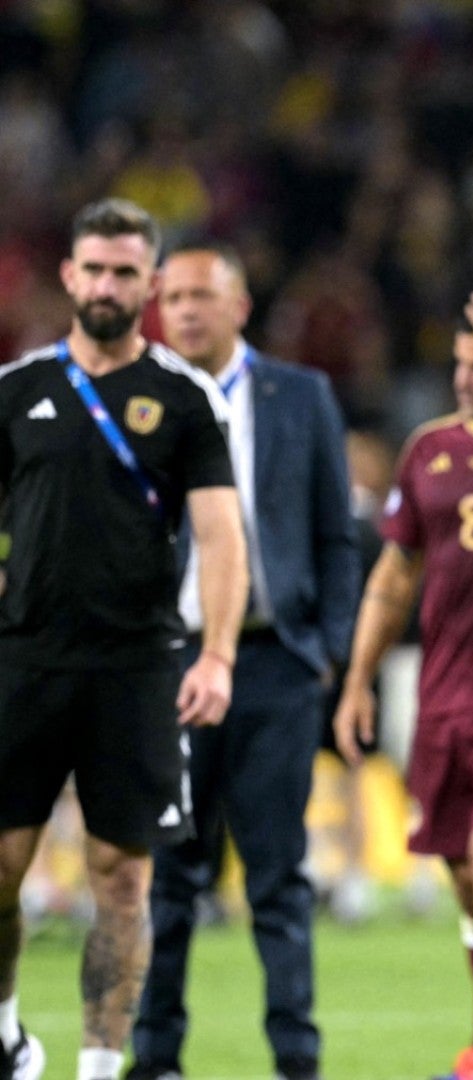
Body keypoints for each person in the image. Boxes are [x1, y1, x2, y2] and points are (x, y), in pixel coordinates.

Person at [0, 199, 246, 1080]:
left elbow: (221, 535)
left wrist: (216, 654)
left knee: (121, 875)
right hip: (23, 659)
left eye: (125, 272)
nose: (107, 286)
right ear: (69, 275)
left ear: (150, 283)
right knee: (3, 868)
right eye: (94, 270)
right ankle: (5, 1036)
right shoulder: (16, 389)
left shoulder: (186, 399)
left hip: (136, 667)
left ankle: (101, 1068)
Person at [126, 244, 356, 1080]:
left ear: (240, 306)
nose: (185, 311)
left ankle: (296, 1058)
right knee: (168, 875)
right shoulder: (139, 399)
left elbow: (336, 533)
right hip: (169, 662)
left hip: (275, 663)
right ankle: (155, 1059)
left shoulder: (300, 394)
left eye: (201, 295)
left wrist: (326, 649)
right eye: (173, 297)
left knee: (277, 874)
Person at [330, 326, 473, 1079]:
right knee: (467, 878)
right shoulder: (427, 449)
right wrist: (358, 678)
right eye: (458, 363)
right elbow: (394, 574)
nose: (463, 378)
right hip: (440, 693)